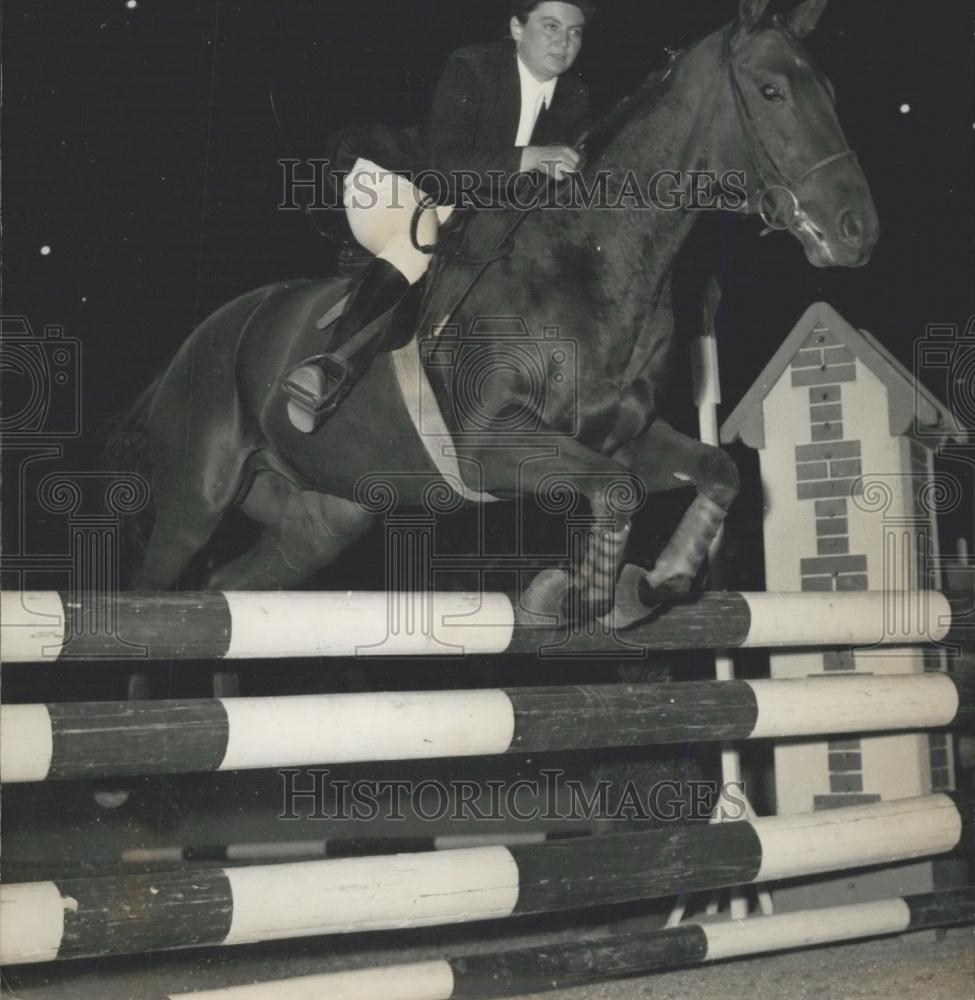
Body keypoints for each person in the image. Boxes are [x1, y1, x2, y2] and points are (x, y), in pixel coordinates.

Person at [283, 1, 595, 433]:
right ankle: (328, 369)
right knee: (415, 246)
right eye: (550, 25)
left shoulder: (576, 99)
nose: (564, 41)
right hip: (397, 176)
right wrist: (531, 157)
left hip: (458, 205)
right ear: (516, 28)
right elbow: (445, 163)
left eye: (575, 32)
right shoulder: (472, 65)